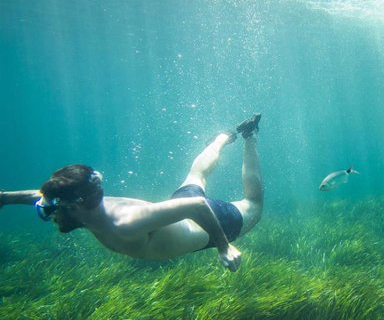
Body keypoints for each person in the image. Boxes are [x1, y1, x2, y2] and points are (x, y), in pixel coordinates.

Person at [0, 114, 263, 272]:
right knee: (196, 176)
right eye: (46, 209)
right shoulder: (84, 210)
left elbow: (197, 205)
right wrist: (6, 198)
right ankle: (220, 139)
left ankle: (249, 135)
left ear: (76, 205)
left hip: (207, 223)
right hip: (177, 211)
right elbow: (38, 195)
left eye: (48, 211)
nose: (49, 215)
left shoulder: (125, 223)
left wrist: (224, 246)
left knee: (254, 204)